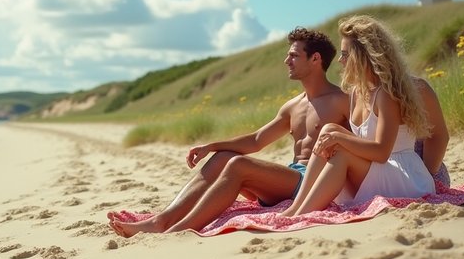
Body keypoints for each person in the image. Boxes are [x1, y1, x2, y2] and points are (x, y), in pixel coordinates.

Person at [107, 27, 350, 237]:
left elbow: (359, 147)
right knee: (223, 157)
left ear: (316, 59)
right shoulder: (293, 106)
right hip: (286, 178)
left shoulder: (340, 100)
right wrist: (212, 146)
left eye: (294, 55)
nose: (287, 61)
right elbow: (256, 141)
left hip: (312, 182)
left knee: (237, 166)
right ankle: (161, 221)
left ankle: (178, 231)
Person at [282, 15, 435, 217]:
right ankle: (296, 208)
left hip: (403, 175)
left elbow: (381, 152)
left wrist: (340, 138)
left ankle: (303, 212)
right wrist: (335, 136)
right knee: (329, 130)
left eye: (345, 54)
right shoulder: (357, 92)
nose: (340, 60)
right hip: (377, 169)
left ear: (363, 56)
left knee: (339, 146)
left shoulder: (386, 94)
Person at [413, 77, 451, 188]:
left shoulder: (417, 88)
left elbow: (438, 135)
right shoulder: (360, 91)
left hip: (423, 173)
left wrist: (426, 178)